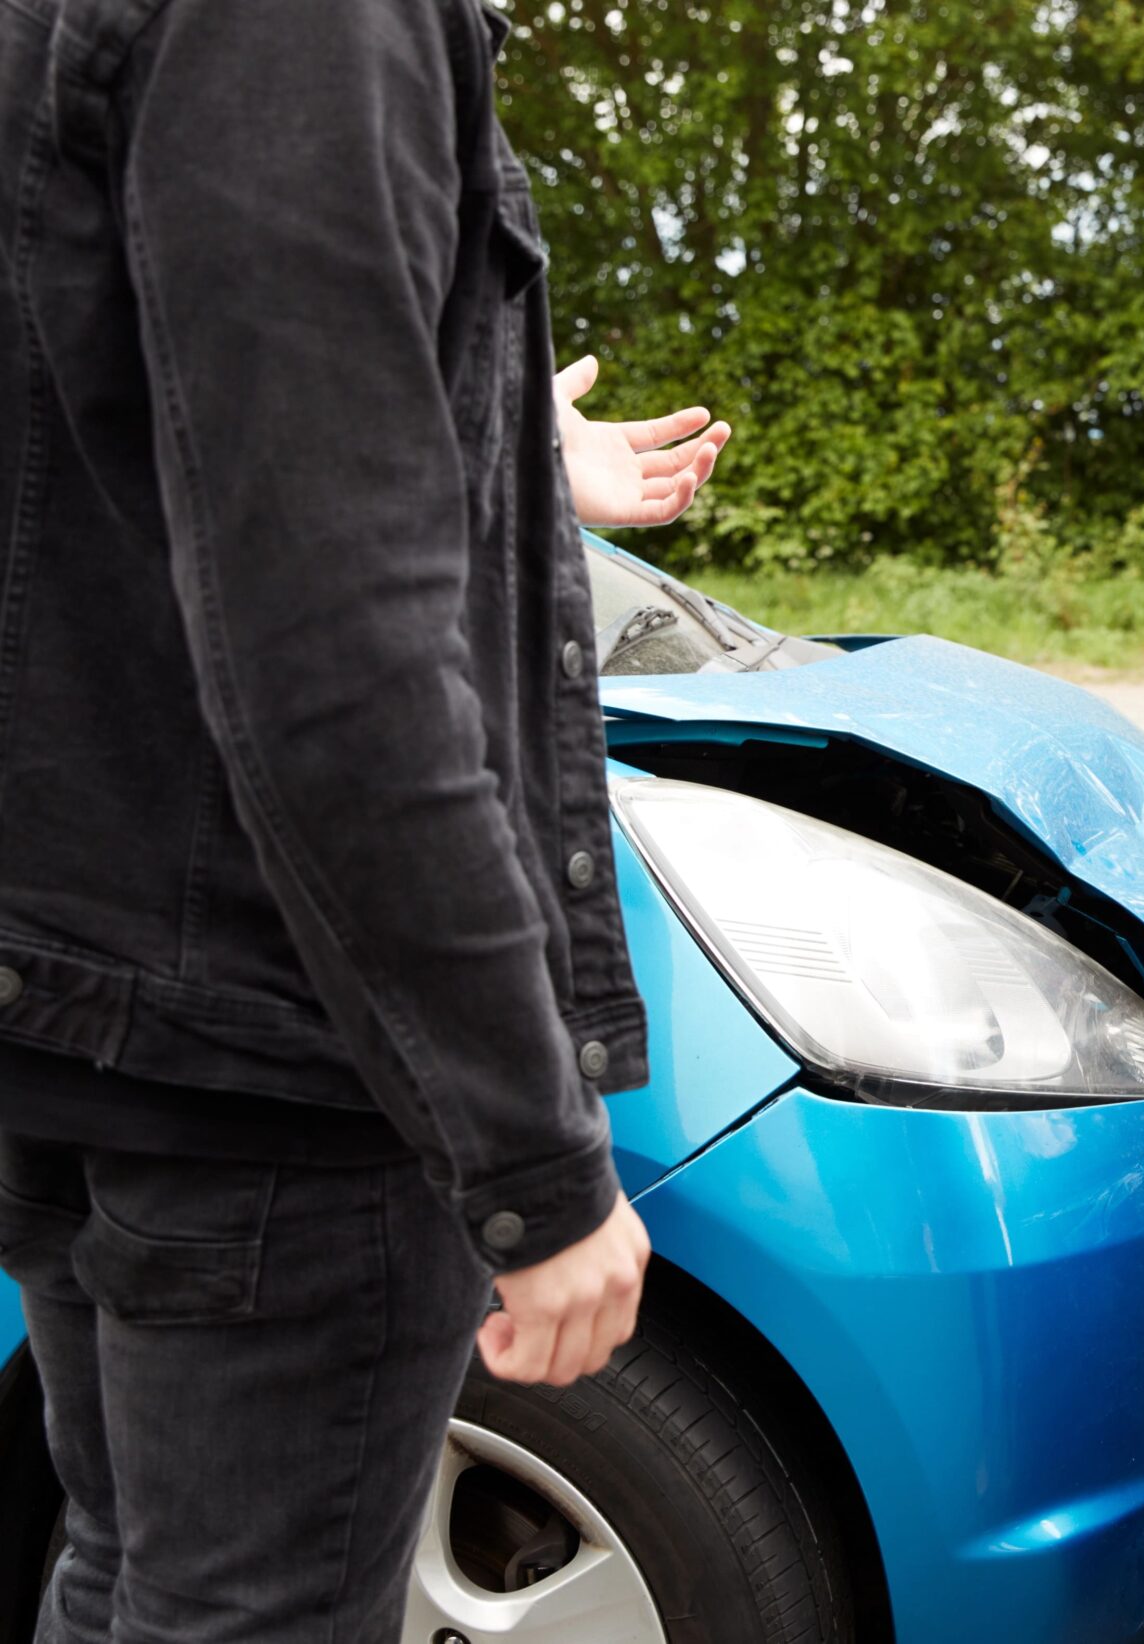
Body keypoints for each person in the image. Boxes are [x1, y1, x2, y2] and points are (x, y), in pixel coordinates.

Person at [0, 0, 727, 1637]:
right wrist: (532, 1167)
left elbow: (118, 389)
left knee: (133, 1582)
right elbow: (333, 652)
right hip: (274, 1053)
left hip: (99, 993)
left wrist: (504, 440)